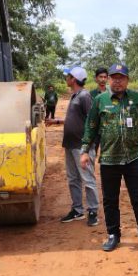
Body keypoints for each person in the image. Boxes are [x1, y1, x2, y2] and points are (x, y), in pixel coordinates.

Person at [80, 64, 138, 256]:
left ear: (127, 80)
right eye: (114, 77)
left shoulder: (137, 99)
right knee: (110, 200)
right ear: (109, 80)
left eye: (121, 77)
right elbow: (90, 127)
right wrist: (84, 150)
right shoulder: (100, 100)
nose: (117, 81)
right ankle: (113, 234)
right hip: (108, 159)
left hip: (133, 158)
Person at [46, 67, 101, 226]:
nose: (66, 78)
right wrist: (57, 121)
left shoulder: (84, 96)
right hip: (70, 144)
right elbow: (76, 119)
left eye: (68, 76)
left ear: (74, 79)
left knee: (87, 179)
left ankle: (93, 210)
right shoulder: (74, 95)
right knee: (73, 179)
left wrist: (88, 146)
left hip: (81, 146)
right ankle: (77, 210)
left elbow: (92, 122)